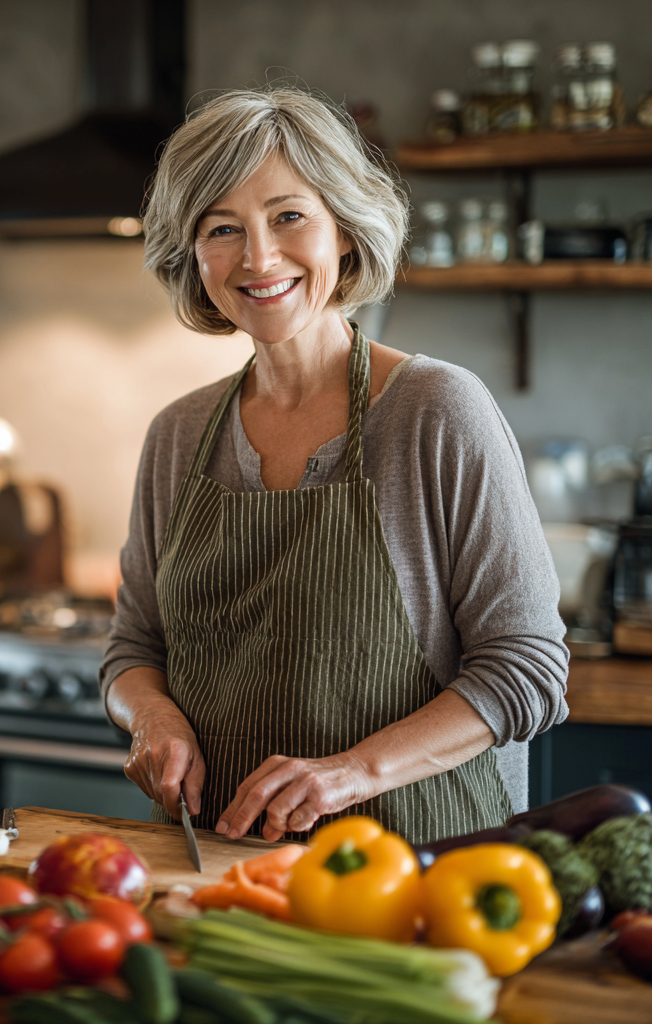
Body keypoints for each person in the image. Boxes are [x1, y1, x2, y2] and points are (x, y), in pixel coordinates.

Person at [100, 88, 568, 845]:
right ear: (196, 256)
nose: (258, 258)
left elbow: (528, 669)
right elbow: (134, 649)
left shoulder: (436, 410)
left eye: (289, 216)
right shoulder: (178, 435)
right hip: (217, 872)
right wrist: (151, 715)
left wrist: (349, 773)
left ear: (345, 230)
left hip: (419, 872)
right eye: (223, 228)